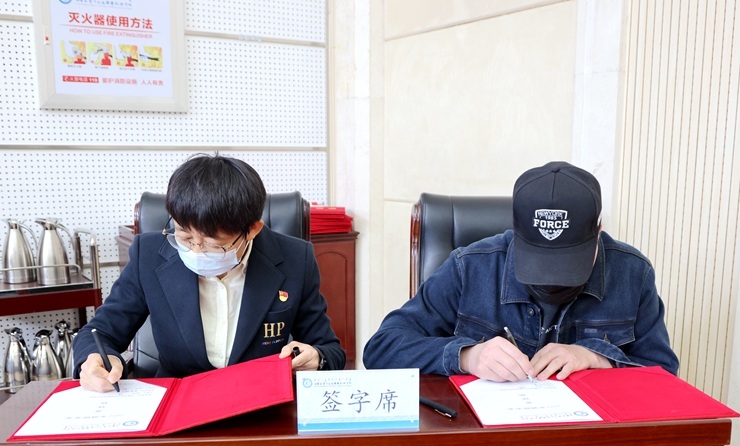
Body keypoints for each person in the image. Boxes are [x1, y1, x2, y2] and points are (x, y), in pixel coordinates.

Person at [363, 161, 679, 381]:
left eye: (567, 262)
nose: (552, 282)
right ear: (516, 231)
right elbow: (381, 348)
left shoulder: (632, 274)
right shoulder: (470, 267)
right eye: (539, 260)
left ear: (598, 232)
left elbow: (664, 375)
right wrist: (467, 356)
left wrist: (598, 358)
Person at [74, 154, 344, 391]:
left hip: (261, 405)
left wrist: (316, 358)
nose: (196, 251)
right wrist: (96, 359)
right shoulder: (150, 254)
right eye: (184, 236)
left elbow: (329, 349)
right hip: (178, 401)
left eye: (213, 244)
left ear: (252, 229)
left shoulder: (295, 259)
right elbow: (101, 332)